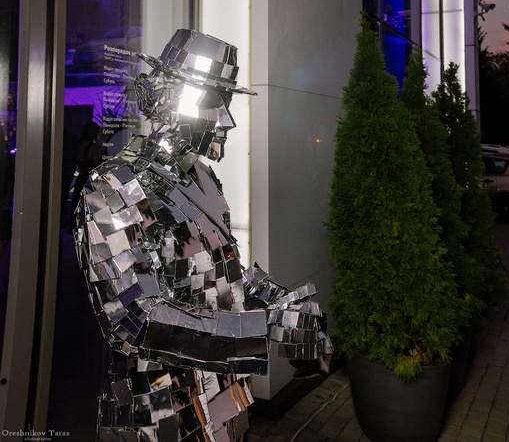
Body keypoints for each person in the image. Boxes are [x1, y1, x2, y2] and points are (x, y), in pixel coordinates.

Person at [74, 29, 331, 442]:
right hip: (156, 416)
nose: (227, 120)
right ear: (173, 99)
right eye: (214, 101)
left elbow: (226, 274)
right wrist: (265, 328)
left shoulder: (203, 180)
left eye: (226, 102)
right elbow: (135, 320)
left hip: (226, 404)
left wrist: (288, 308)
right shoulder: (113, 187)